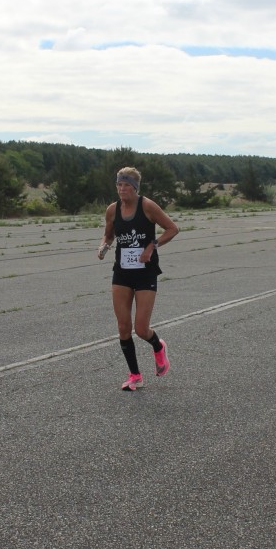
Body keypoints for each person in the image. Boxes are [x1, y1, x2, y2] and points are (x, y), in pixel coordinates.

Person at [98, 166, 179, 391]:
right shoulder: (112, 210)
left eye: (126, 185)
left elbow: (172, 229)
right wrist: (104, 246)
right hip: (122, 272)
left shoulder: (147, 206)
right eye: (119, 185)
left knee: (141, 329)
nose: (122, 189)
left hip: (145, 272)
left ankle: (158, 346)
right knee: (123, 327)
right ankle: (135, 376)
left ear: (135, 187)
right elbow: (108, 234)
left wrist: (152, 246)